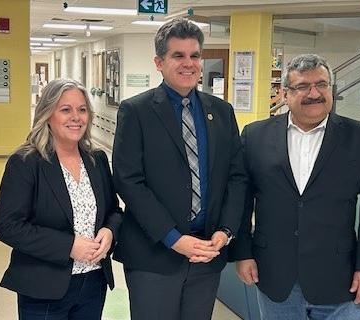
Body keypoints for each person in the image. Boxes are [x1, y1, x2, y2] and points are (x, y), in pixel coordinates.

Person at [230, 53, 360, 319]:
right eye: (303, 86)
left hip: (341, 278)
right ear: (285, 93)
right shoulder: (256, 135)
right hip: (274, 275)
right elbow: (242, 200)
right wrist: (242, 253)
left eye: (321, 84)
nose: (314, 93)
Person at [112, 18, 247, 320]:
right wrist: (173, 238)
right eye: (178, 56)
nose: (189, 64)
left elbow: (237, 178)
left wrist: (225, 230)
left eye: (195, 55)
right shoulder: (136, 111)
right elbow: (128, 180)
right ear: (159, 62)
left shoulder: (221, 112)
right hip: (155, 255)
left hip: (207, 252)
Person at [0, 78, 123, 320]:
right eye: (66, 109)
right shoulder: (26, 162)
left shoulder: (97, 160)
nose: (76, 117)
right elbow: (8, 227)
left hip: (93, 281)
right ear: (47, 114)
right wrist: (69, 246)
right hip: (44, 286)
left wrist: (109, 231)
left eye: (82, 109)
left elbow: (115, 211)